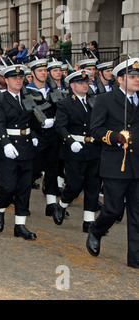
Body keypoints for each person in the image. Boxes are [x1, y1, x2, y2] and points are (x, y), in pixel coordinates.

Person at [86, 58, 139, 269]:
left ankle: (134, 258)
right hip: (116, 164)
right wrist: (115, 137)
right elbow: (96, 130)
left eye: (138, 77)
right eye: (133, 77)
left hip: (137, 164)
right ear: (120, 79)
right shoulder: (106, 100)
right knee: (113, 210)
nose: (137, 80)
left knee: (137, 213)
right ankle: (96, 230)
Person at [0, 64, 38, 240]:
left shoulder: (27, 99)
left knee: (25, 187)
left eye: (21, 77)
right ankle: (0, 208)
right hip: (8, 147)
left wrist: (33, 134)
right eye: (14, 78)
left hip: (25, 147)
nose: (19, 80)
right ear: (7, 81)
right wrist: (5, 143)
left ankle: (20, 225)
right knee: (9, 186)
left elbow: (29, 121)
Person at [54, 70, 102, 232]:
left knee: (93, 185)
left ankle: (88, 221)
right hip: (74, 150)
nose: (85, 85)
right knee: (74, 185)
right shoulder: (65, 103)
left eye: (86, 82)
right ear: (72, 86)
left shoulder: (94, 102)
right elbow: (60, 126)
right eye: (81, 83)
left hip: (93, 149)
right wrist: (70, 141)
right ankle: (62, 204)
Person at [26, 59, 60, 218]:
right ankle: (21, 198)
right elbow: (24, 117)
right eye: (40, 71)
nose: (44, 73)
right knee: (33, 170)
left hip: (52, 135)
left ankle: (51, 203)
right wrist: (35, 132)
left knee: (53, 169)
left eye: (45, 70)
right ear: (32, 73)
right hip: (36, 137)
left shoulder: (53, 90)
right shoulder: (26, 92)